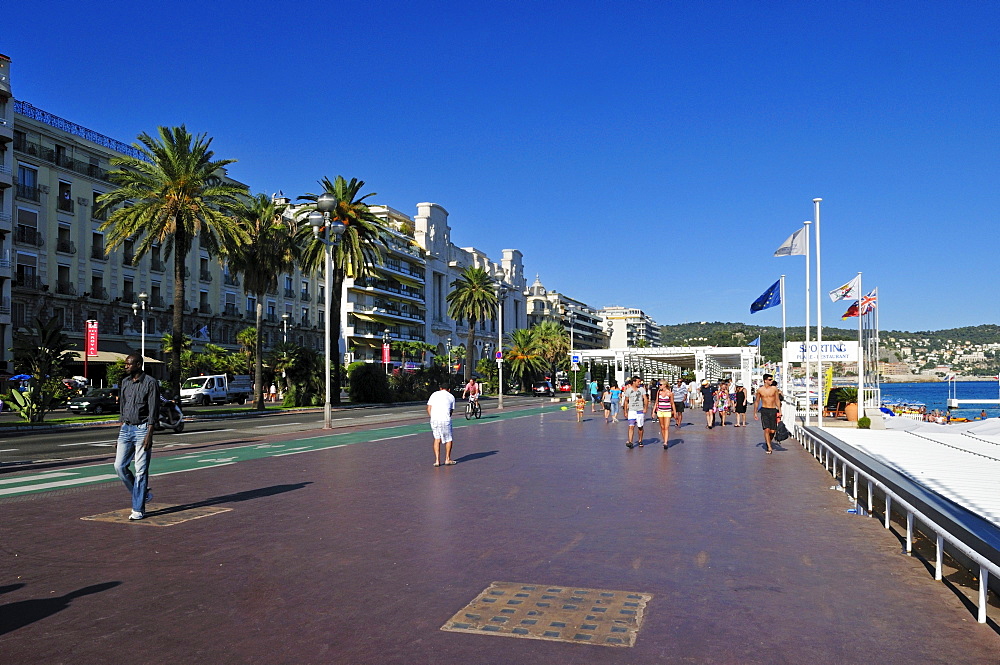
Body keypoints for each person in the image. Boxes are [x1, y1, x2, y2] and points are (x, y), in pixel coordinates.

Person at [114, 354, 160, 520]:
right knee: (119, 466)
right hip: (126, 428)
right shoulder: (125, 383)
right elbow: (123, 408)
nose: (126, 366)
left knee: (141, 471)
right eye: (126, 364)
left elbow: (153, 410)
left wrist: (149, 434)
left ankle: (138, 508)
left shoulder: (150, 383)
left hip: (142, 430)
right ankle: (143, 494)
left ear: (139, 365)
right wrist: (120, 432)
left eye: (129, 364)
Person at [753, 373, 783, 454]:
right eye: (770, 380)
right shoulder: (760, 390)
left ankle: (768, 441)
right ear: (765, 380)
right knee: (766, 429)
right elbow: (757, 401)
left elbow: (777, 400)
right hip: (764, 410)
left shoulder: (774, 389)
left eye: (771, 379)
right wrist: (755, 412)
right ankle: (769, 447)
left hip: (773, 410)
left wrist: (780, 410)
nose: (771, 381)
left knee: (773, 431)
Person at [427, 382, 456, 466]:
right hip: (445, 419)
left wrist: (432, 417)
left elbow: (429, 408)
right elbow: (451, 411)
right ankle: (447, 459)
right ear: (449, 390)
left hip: (434, 419)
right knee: (449, 439)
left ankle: (437, 460)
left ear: (440, 388)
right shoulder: (451, 397)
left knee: (437, 439)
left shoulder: (434, 394)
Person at [623, 377, 649, 448]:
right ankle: (630, 441)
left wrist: (645, 408)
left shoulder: (641, 389)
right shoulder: (629, 390)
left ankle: (640, 440)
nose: (639, 383)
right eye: (638, 382)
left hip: (640, 410)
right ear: (634, 382)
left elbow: (645, 399)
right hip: (632, 410)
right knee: (631, 426)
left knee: (640, 427)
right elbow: (626, 401)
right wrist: (625, 411)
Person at [654, 381, 673, 449]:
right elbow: (656, 402)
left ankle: (665, 442)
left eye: (660, 384)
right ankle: (664, 438)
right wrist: (653, 411)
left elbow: (672, 403)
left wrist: (674, 412)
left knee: (666, 427)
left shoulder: (670, 393)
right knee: (662, 427)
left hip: (667, 411)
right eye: (659, 385)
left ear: (665, 385)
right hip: (660, 411)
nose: (659, 386)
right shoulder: (659, 392)